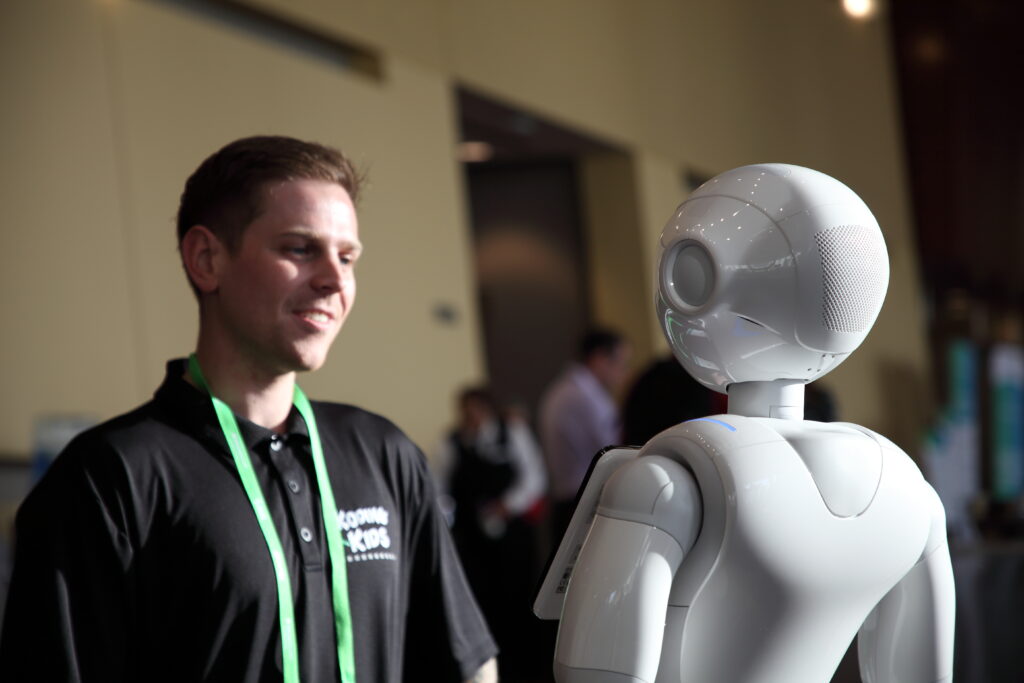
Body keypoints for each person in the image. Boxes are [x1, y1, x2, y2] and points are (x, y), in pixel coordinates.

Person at [0, 136, 498, 683]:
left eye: (347, 256)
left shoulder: (383, 453)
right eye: (300, 249)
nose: (335, 279)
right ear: (206, 259)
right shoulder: (109, 478)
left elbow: (468, 665)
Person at [434, 387, 547, 682]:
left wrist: (506, 506)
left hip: (514, 539)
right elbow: (439, 490)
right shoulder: (452, 443)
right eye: (466, 413)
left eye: (478, 411)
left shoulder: (512, 433)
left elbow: (534, 478)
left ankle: (532, 667)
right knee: (486, 605)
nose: (473, 418)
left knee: (522, 602)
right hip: (474, 543)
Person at [538, 328, 631, 539]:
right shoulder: (585, 396)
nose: (623, 372)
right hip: (582, 501)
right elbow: (615, 448)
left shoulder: (563, 389)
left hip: (569, 498)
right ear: (599, 358)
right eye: (621, 363)